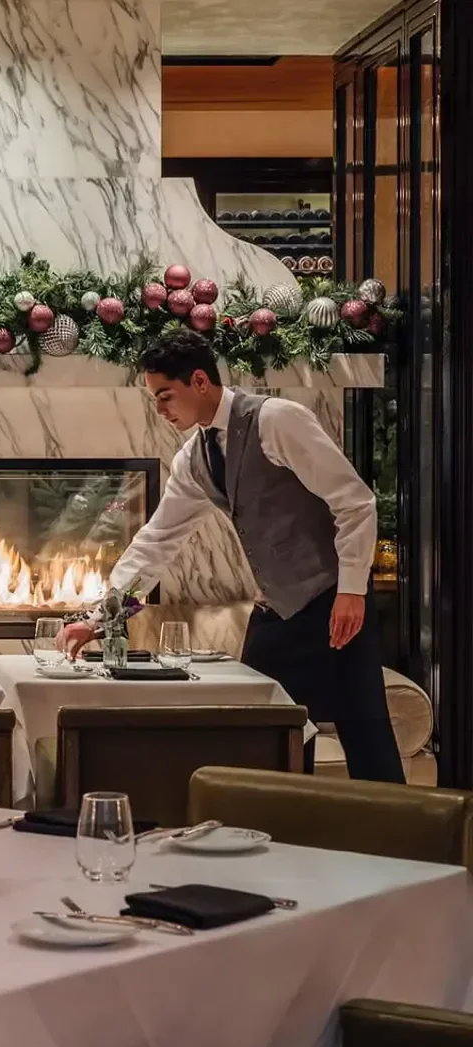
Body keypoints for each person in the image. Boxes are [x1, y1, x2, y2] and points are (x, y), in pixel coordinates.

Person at [60, 328, 404, 782]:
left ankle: (401, 843)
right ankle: (270, 835)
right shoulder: (192, 458)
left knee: (367, 742)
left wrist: (352, 591)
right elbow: (158, 540)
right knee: (254, 738)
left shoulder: (278, 419)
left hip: (334, 605)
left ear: (200, 381)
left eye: (166, 396)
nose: (160, 410)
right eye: (155, 400)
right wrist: (101, 618)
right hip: (276, 612)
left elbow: (354, 501)